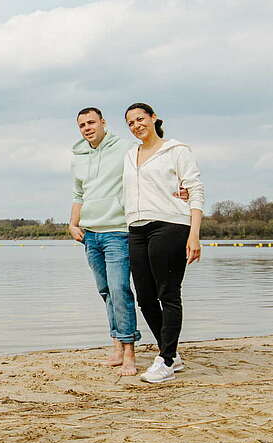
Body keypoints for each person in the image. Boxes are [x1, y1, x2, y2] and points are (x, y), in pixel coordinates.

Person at [69, 107, 187, 377]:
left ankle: (130, 354)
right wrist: (73, 223)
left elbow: (153, 164)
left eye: (91, 122)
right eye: (82, 125)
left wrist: (181, 189)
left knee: (121, 289)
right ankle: (118, 346)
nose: (87, 128)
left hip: (120, 231)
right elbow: (78, 193)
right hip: (91, 234)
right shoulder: (77, 157)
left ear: (103, 123)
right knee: (106, 291)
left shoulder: (126, 148)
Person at [121, 102, 204, 384]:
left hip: (170, 225)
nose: (136, 126)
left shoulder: (177, 150)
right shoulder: (130, 155)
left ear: (154, 118)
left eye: (140, 119)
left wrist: (194, 234)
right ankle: (171, 352)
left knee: (168, 293)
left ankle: (166, 360)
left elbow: (195, 191)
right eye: (130, 123)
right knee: (144, 297)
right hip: (136, 228)